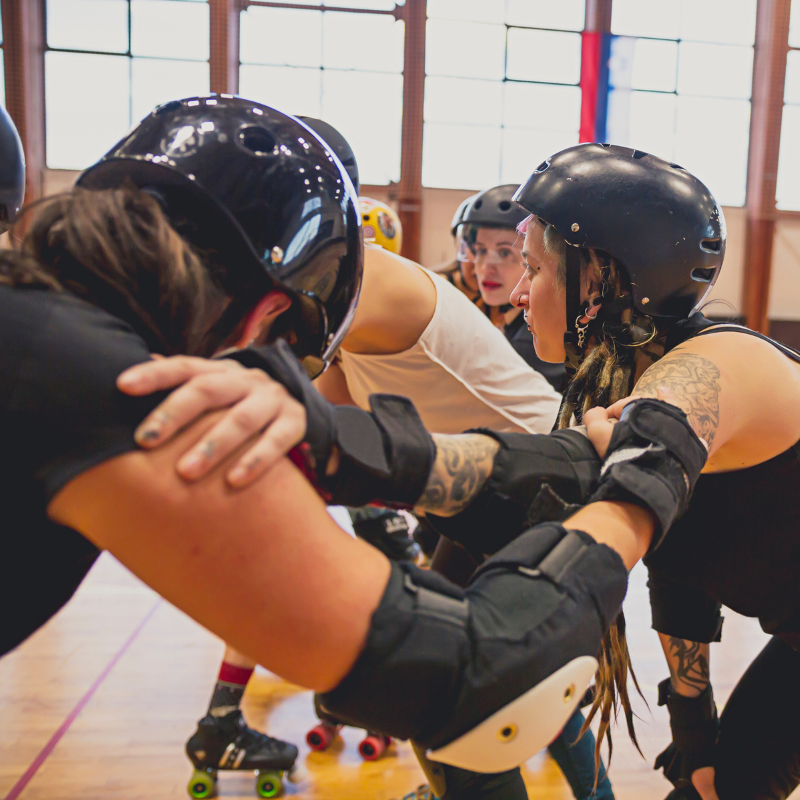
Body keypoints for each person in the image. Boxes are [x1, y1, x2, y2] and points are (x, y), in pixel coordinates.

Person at [2, 96, 631, 800]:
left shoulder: (35, 317)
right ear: (268, 312)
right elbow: (466, 678)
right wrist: (622, 491)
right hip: (524, 473)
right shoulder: (121, 387)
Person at [133, 142, 800, 800]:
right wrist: (694, 727)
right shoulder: (615, 386)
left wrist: (339, 445)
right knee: (718, 784)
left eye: (532, 268)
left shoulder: (719, 367)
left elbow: (623, 466)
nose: (513, 293)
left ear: (596, 280)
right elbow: (680, 567)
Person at [187, 117, 563, 790]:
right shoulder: (331, 304)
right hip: (481, 489)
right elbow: (334, 430)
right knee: (455, 703)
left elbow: (284, 399)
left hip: (539, 483)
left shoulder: (364, 283)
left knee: (469, 704)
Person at [461, 183, 566, 392]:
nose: (485, 269)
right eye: (481, 251)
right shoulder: (517, 326)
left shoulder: (532, 344)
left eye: (504, 253)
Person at [434, 195, 481, 303]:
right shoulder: (438, 288)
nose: (483, 267)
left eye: (503, 253)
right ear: (461, 248)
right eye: (477, 250)